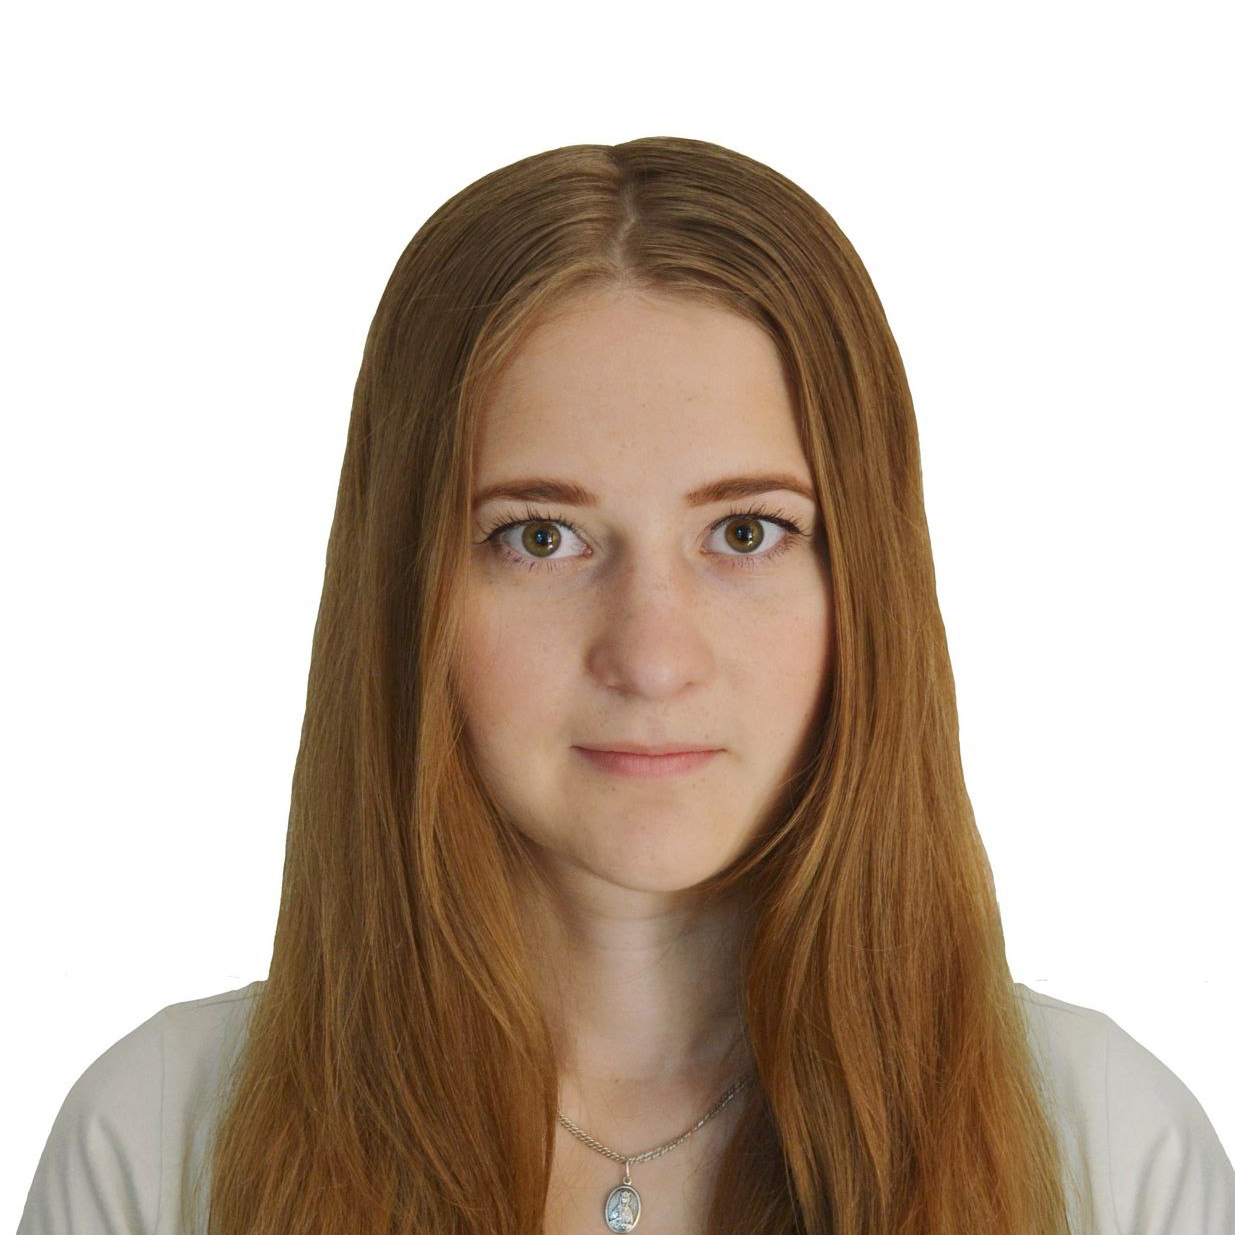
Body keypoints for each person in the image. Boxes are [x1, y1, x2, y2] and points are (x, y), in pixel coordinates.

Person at [17, 136, 1235, 1235]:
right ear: (406, 594)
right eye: (539, 536)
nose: (650, 657)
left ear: (868, 584)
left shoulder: (1107, 1147)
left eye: (746, 532)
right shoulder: (159, 1137)